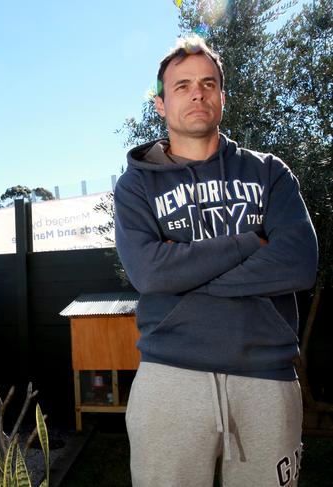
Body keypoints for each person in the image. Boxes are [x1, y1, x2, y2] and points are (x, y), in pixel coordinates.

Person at [113, 36, 318, 487]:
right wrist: (248, 243)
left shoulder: (269, 172)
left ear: (222, 97)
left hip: (266, 378)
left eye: (208, 83)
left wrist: (187, 279)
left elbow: (299, 263)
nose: (197, 93)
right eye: (182, 85)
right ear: (161, 105)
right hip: (170, 378)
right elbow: (149, 272)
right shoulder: (135, 187)